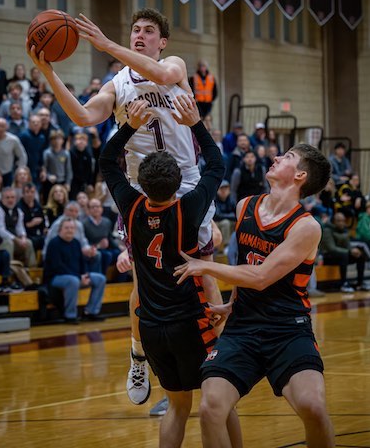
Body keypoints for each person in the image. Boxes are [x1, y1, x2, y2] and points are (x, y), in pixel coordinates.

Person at [29, 8, 223, 408]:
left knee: (200, 270)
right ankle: (138, 353)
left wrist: (105, 43)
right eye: (135, 29)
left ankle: (214, 352)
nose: (140, 35)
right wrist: (48, 71)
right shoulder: (117, 84)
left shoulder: (174, 65)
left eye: (148, 31)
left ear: (162, 41)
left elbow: (165, 77)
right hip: (139, 190)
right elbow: (83, 116)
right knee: (144, 282)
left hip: (185, 182)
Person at [173, 143, 335, 448]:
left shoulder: (306, 227)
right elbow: (245, 263)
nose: (275, 158)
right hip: (243, 328)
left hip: (287, 329)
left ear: (300, 175)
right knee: (210, 408)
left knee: (313, 407)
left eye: (287, 157)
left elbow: (260, 277)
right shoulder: (244, 206)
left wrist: (203, 267)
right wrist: (233, 304)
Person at [100, 96, 238, 446]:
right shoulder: (188, 210)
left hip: (152, 328)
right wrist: (195, 122)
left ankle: (136, 360)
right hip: (189, 324)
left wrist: (129, 126)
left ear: (140, 184)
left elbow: (107, 161)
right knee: (220, 403)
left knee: (177, 408)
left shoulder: (129, 207)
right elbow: (216, 166)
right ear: (180, 184)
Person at [43, 217, 107, 322]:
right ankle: (70, 315)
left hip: (76, 277)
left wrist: (85, 274)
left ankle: (90, 312)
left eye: (72, 228)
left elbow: (82, 263)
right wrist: (79, 277)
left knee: (100, 279)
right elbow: (58, 267)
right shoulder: (54, 244)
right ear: (60, 230)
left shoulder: (76, 242)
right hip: (55, 278)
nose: (70, 230)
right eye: (67, 228)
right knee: (73, 281)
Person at [320, 212, 370, 293]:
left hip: (342, 255)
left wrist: (353, 250)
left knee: (360, 255)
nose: (342, 223)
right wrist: (349, 251)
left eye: (343, 221)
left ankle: (360, 283)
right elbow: (331, 249)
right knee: (344, 255)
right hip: (328, 257)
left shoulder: (344, 230)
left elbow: (348, 245)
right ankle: (343, 284)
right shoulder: (327, 230)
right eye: (339, 221)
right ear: (334, 221)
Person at [0, 187, 37, 267]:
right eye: (7, 197)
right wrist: (16, 240)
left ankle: (32, 270)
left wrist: (23, 238)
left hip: (13, 240)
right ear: (2, 198)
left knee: (28, 243)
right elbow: (1, 231)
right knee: (9, 243)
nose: (10, 200)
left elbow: (20, 227)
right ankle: (10, 270)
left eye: (12, 197)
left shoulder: (18, 211)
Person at [0, 117, 28, 187]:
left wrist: (19, 170)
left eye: (3, 126)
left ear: (7, 127)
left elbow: (22, 155)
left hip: (8, 173)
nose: (0, 129)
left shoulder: (13, 139)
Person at [42, 130, 72, 201]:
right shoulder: (47, 153)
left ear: (62, 140)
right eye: (54, 139)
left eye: (59, 139)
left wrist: (68, 183)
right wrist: (48, 176)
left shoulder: (66, 154)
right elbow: (44, 169)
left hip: (62, 181)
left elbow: (68, 170)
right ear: (51, 141)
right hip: (50, 182)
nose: (57, 141)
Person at [17, 182, 46, 252]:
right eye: (27, 192)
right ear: (23, 194)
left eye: (32, 192)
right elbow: (18, 226)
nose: (30, 194)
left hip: (39, 234)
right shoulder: (19, 207)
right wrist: (31, 224)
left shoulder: (38, 206)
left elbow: (43, 221)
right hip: (26, 235)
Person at [213, 180, 236, 253]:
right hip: (216, 222)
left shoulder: (231, 199)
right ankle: (226, 246)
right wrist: (230, 216)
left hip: (228, 221)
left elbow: (236, 214)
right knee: (226, 223)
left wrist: (229, 216)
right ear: (217, 190)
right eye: (221, 188)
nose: (224, 191)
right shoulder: (214, 199)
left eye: (226, 188)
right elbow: (217, 215)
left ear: (229, 190)